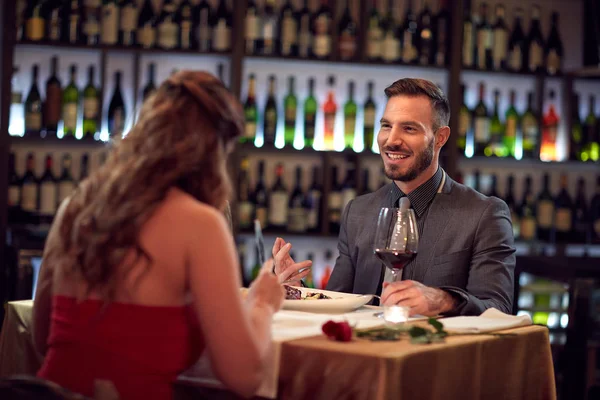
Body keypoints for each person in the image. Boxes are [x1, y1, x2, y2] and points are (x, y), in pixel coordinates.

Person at [32, 71, 284, 399]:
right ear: (212, 152)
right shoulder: (201, 224)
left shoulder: (75, 206)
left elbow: (41, 337)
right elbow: (245, 377)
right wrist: (262, 304)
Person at [274, 78, 515, 316]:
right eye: (387, 126)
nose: (391, 141)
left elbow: (498, 309)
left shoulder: (484, 214)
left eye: (409, 128)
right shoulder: (357, 211)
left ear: (440, 137)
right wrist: (299, 292)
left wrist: (443, 300)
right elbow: (338, 303)